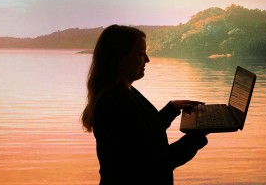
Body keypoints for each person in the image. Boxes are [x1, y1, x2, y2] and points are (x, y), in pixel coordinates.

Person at [81, 24, 208, 185]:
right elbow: (155, 163)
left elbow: (142, 133)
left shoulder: (124, 91)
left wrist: (171, 110)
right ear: (119, 58)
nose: (147, 60)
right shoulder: (115, 102)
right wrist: (197, 136)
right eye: (141, 54)